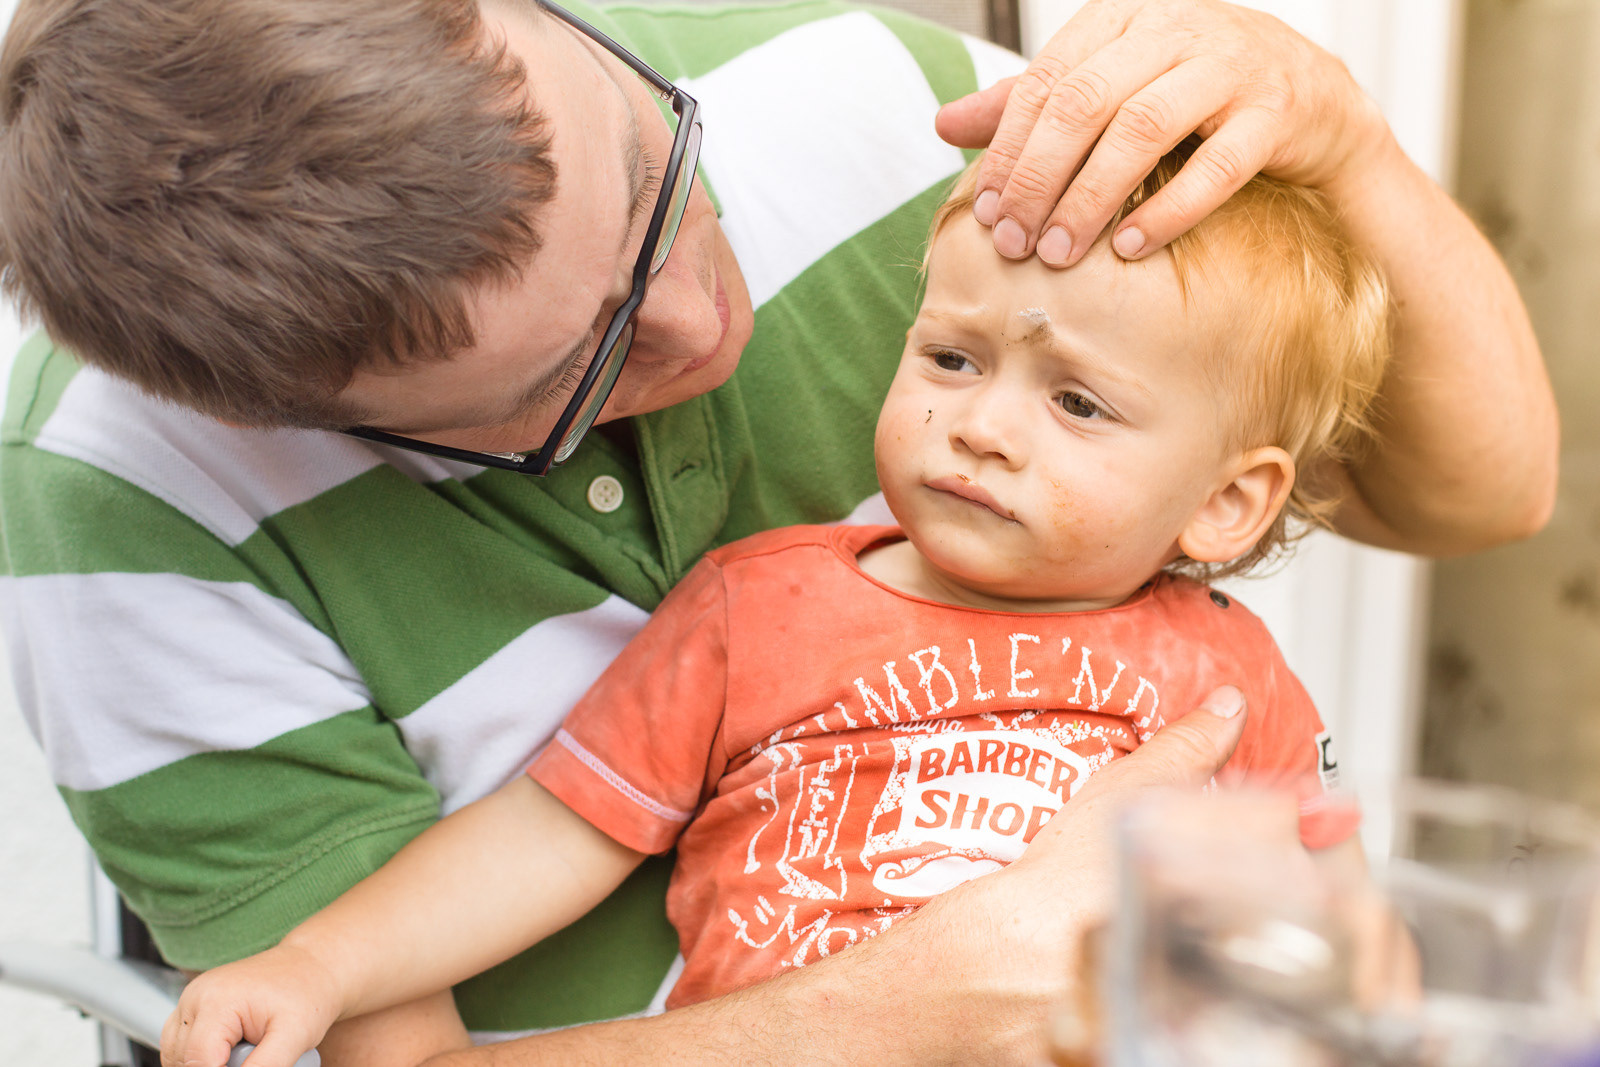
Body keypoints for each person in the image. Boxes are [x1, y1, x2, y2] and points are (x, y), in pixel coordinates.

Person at [0, 0, 1555, 1062]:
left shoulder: (885, 100)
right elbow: (552, 831)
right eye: (573, 374)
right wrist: (894, 1011)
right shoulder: (119, 505)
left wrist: (1342, 141)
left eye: (654, 177)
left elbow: (1476, 519)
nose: (705, 319)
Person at [162, 143, 1385, 1067]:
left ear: (1226, 502)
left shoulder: (1230, 681)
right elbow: (548, 837)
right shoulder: (757, 606)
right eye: (952, 358)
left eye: (1077, 402)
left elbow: (1341, 930)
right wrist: (318, 963)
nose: (981, 425)